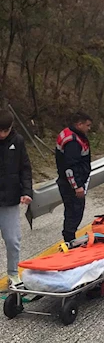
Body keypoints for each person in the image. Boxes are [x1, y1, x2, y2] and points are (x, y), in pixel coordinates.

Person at [0, 110, 33, 286]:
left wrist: (27, 191)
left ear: (11, 127)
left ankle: (13, 274)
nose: (1, 135)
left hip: (10, 200)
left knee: (13, 240)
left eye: (4, 131)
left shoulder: (18, 141)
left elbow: (25, 168)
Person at [56, 112, 93, 243]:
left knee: (72, 211)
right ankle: (69, 240)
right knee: (74, 212)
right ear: (79, 124)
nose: (89, 128)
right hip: (70, 184)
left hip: (68, 182)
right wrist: (77, 187)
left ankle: (69, 237)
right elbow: (70, 167)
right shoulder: (73, 141)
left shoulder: (69, 133)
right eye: (87, 125)